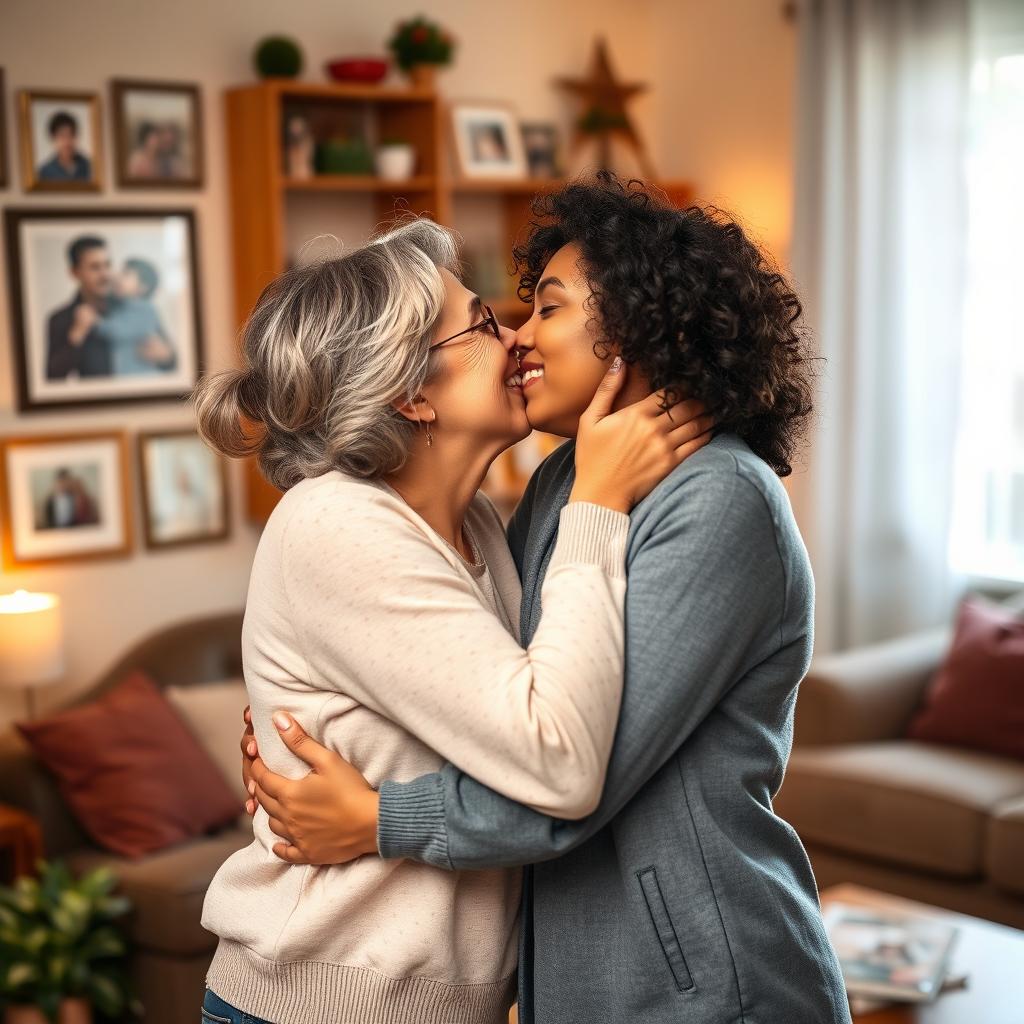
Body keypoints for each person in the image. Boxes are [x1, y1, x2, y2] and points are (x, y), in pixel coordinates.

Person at [241, 174, 854, 1024]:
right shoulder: (563, 484)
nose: (521, 335)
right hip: (573, 987)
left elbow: (573, 774)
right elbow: (523, 699)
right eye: (498, 319)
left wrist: (379, 816)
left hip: (706, 986)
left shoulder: (720, 500)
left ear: (639, 325)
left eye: (548, 309)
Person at [193, 216, 712, 1024]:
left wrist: (374, 810)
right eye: (480, 322)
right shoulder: (335, 524)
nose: (514, 340)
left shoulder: (474, 530)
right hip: (319, 1007)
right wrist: (598, 504)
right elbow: (557, 762)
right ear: (409, 392)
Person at [46, 236, 113, 379]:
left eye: (107, 265)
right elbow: (52, 376)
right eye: (95, 267)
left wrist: (166, 356)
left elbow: (171, 362)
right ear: (75, 273)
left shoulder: (131, 309)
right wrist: (76, 335)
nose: (105, 274)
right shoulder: (60, 318)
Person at [97, 257, 176, 375]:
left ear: (142, 288)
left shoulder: (145, 309)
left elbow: (118, 331)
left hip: (140, 377)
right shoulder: (122, 306)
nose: (118, 277)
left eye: (126, 274)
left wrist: (96, 323)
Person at [37, 110, 91, 182]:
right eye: (62, 136)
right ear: (53, 139)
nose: (67, 142)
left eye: (71, 135)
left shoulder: (89, 166)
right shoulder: (45, 172)